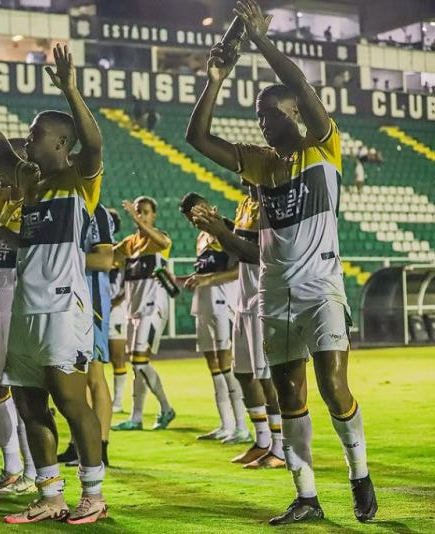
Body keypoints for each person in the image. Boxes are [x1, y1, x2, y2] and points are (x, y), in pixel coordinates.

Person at [184, 0, 377, 524]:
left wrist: (262, 42)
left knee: (334, 387)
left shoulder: (323, 149)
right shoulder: (260, 165)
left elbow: (304, 87)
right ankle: (306, 496)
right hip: (275, 295)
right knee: (288, 395)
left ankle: (359, 475)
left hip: (321, 292)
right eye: (257, 118)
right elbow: (197, 139)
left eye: (269, 116)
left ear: (295, 114)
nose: (262, 126)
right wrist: (216, 79)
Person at [0, 44, 109, 524]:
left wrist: (70, 89)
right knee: (30, 405)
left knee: (71, 401)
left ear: (59, 144)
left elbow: (95, 146)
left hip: (61, 310)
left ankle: (93, 493)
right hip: (25, 310)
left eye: (35, 137)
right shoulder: (29, 186)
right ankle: (51, 496)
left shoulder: (78, 180)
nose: (26, 144)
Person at [190, 193, 286, 470]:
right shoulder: (246, 204)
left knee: (266, 377)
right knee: (243, 373)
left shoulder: (272, 204)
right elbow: (234, 251)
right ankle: (262, 441)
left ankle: (280, 448)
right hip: (242, 302)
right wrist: (216, 232)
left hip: (263, 300)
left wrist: (220, 231)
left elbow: (259, 253)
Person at [0, 141, 37, 494]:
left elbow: (24, 243)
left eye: (3, 163)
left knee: (25, 392)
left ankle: (33, 473)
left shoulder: (35, 201)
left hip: (23, 299)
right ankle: (13, 467)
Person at [179, 193, 248, 444]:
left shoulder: (227, 228)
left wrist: (207, 280)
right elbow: (206, 269)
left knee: (226, 363)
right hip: (204, 301)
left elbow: (239, 269)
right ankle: (226, 424)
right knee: (214, 367)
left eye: (194, 217)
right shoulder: (201, 237)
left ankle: (242, 426)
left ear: (204, 208)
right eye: (190, 220)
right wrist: (190, 278)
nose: (193, 223)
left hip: (223, 300)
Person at [111, 197, 176, 432]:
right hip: (133, 310)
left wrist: (136, 220)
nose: (142, 215)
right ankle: (137, 418)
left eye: (146, 212)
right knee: (137, 363)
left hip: (153, 307)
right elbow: (109, 257)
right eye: (139, 212)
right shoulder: (130, 244)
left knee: (139, 361)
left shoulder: (158, 239)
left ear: (153, 215)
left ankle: (164, 408)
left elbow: (163, 240)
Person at [57, 201, 115, 467]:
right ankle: (77, 444)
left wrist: (63, 258)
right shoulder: (65, 207)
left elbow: (105, 260)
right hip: (67, 302)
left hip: (92, 303)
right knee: (74, 377)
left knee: (95, 374)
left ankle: (101, 447)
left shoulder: (96, 212)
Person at [106, 209, 129, 413]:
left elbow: (128, 282)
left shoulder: (121, 252)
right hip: (98, 307)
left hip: (116, 310)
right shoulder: (94, 248)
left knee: (117, 356)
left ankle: (119, 401)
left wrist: (117, 301)